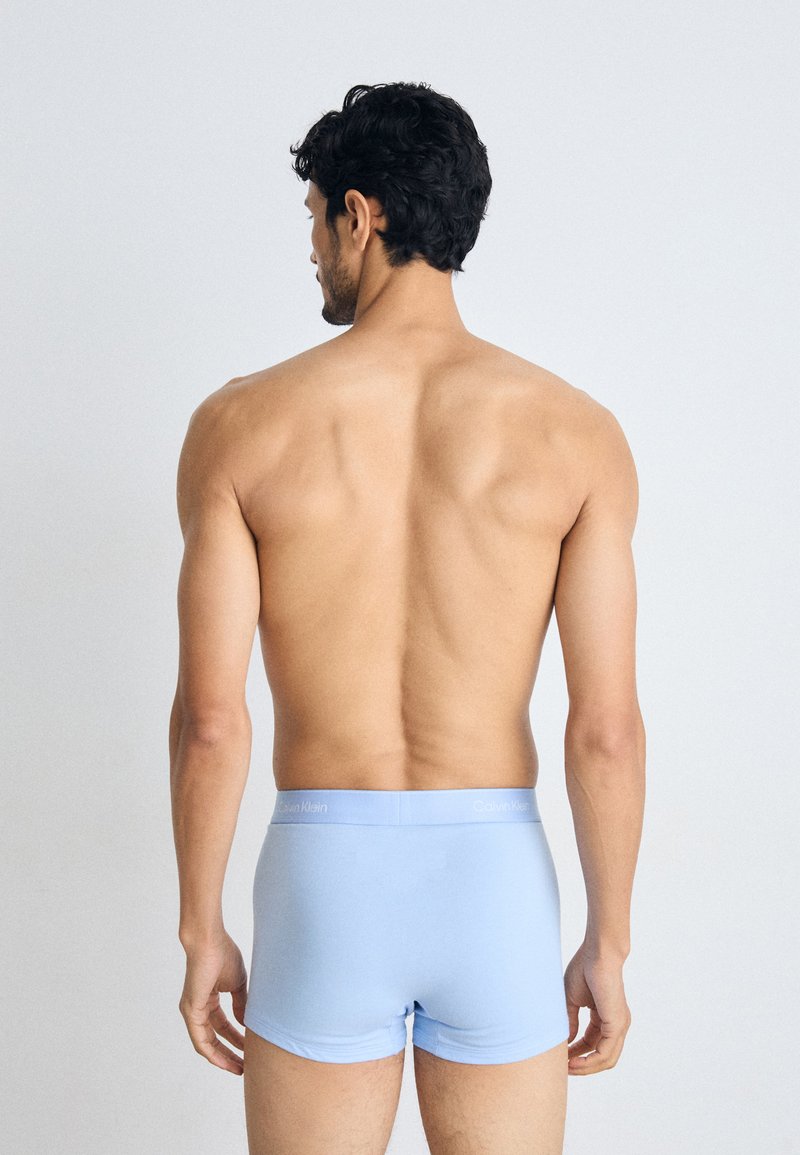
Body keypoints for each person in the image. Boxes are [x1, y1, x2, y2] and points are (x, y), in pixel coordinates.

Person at [169, 80, 646, 1155]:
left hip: (323, 880)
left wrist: (201, 929)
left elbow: (210, 721)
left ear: (359, 213)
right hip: (494, 882)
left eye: (314, 221)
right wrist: (607, 942)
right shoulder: (575, 433)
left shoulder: (241, 425)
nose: (311, 253)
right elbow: (604, 730)